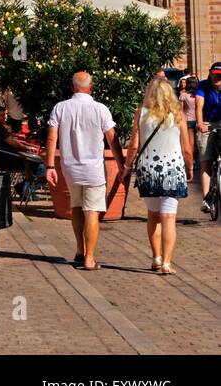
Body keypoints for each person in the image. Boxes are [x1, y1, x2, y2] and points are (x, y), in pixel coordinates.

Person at [45, 72, 126, 271]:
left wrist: (49, 166)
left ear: (72, 87)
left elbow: (51, 139)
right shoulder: (100, 109)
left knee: (76, 207)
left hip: (70, 168)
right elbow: (112, 139)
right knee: (92, 211)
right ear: (91, 87)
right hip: (94, 170)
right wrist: (122, 165)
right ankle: (90, 258)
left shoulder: (60, 108)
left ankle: (80, 251)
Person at [124, 77, 193, 274]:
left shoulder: (141, 113)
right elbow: (186, 148)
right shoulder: (178, 115)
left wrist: (127, 167)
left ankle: (156, 257)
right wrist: (189, 168)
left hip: (148, 171)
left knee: (153, 216)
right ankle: (167, 263)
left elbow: (134, 145)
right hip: (172, 170)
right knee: (169, 218)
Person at [194, 63, 221, 214]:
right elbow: (199, 104)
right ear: (210, 74)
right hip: (207, 123)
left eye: (220, 75)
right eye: (214, 74)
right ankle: (206, 198)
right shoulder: (203, 85)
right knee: (206, 159)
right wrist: (199, 123)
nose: (217, 78)